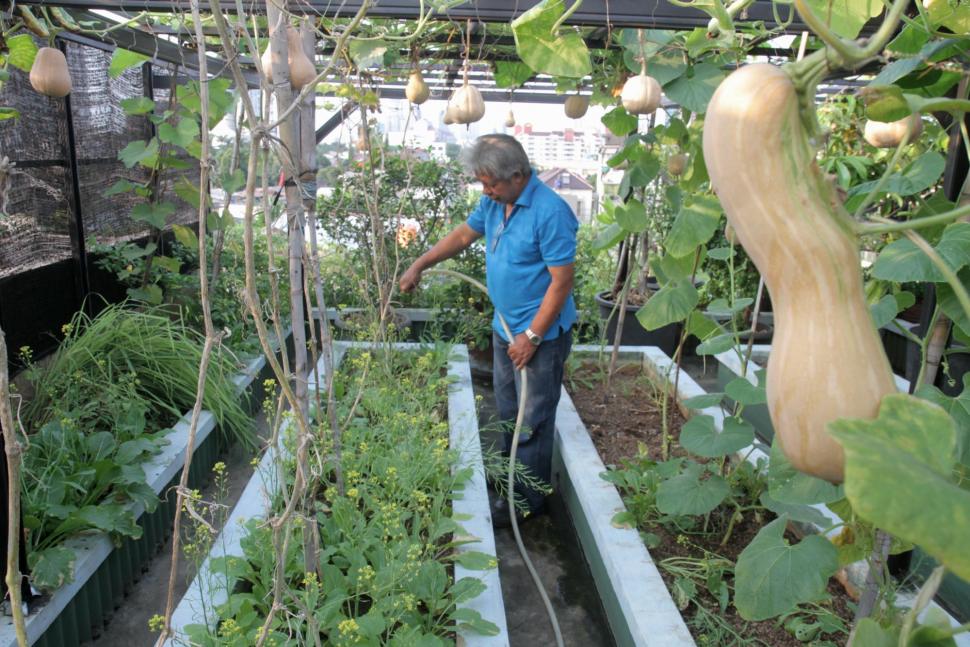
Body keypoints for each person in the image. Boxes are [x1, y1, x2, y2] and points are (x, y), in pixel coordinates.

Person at [399, 134, 578, 528]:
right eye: (482, 184)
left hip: (539, 337)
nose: (486, 191)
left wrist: (531, 337)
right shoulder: (497, 203)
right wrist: (420, 264)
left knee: (533, 419)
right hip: (505, 328)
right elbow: (464, 235)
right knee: (509, 411)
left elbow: (561, 283)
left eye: (490, 184)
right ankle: (510, 486)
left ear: (517, 175)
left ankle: (526, 504)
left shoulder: (551, 213)